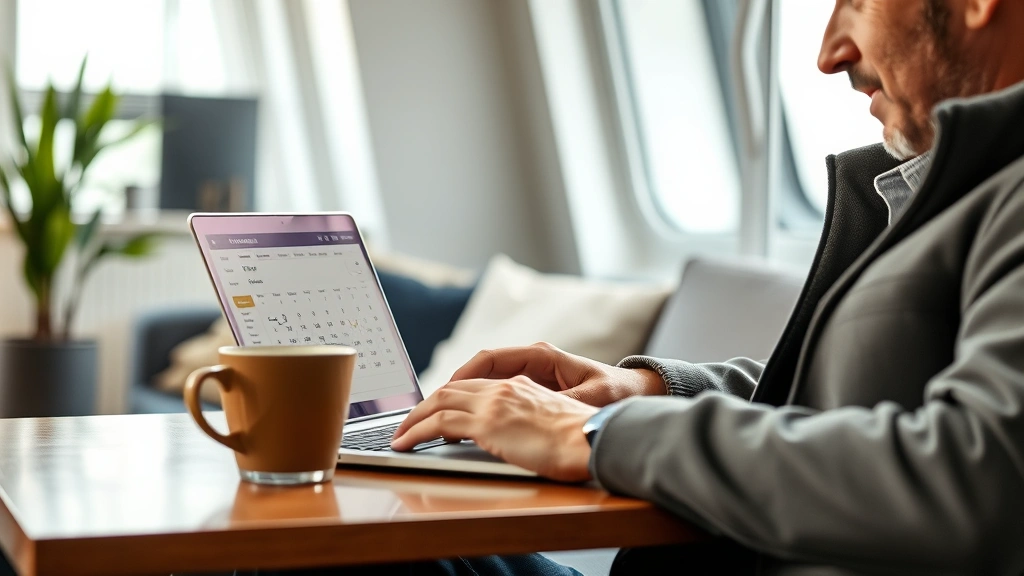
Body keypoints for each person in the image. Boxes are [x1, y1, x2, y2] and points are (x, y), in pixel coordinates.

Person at [385, 0, 1024, 574]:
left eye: (856, 2)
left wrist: (599, 434)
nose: (831, 52)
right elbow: (833, 410)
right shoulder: (953, 189)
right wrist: (647, 388)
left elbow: (975, 481)